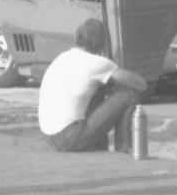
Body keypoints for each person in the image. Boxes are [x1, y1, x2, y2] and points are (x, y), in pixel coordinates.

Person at [37, 17, 145, 153]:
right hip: (70, 137)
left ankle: (98, 148)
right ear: (102, 43)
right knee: (129, 95)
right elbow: (140, 84)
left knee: (98, 88)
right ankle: (122, 151)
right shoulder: (98, 62)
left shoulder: (62, 57)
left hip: (50, 137)